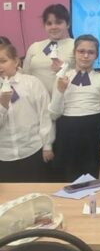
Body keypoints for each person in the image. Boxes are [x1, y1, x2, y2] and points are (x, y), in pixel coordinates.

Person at [49, 34, 100, 181]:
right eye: (81, 51)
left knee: (88, 180)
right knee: (64, 179)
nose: (85, 56)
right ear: (74, 53)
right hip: (66, 134)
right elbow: (53, 114)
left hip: (92, 135)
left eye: (91, 52)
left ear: (96, 55)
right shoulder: (62, 77)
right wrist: (60, 90)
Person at [0, 42, 54, 182]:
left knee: (35, 190)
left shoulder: (32, 83)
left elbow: (45, 114)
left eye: (3, 61)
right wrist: (3, 106)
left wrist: (47, 145)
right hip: (4, 155)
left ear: (16, 61)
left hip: (32, 150)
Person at [23, 4, 74, 95]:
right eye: (49, 23)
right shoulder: (35, 46)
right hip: (37, 99)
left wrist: (64, 69)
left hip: (66, 99)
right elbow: (25, 76)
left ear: (68, 24)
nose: (53, 27)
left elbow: (84, 77)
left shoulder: (77, 45)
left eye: (58, 22)